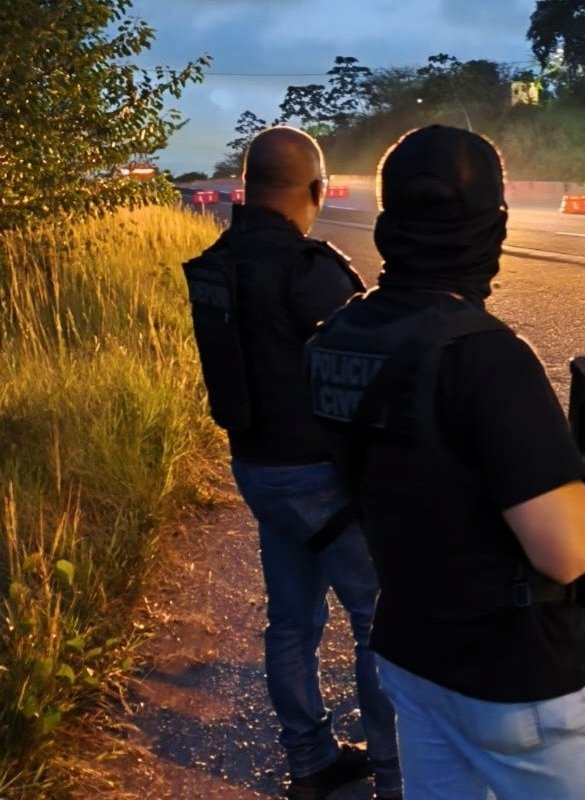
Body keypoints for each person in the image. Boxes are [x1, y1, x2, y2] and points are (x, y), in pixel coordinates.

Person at [305, 125, 585, 800]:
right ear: (493, 224)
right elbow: (565, 548)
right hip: (517, 679)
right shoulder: (483, 356)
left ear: (390, 218)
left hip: (413, 654)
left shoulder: (337, 337)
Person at [182, 126, 401, 800]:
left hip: (255, 469)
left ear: (247, 186)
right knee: (379, 623)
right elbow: (368, 364)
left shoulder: (216, 262)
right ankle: (397, 773)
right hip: (322, 480)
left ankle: (309, 764)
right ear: (312, 189)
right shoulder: (307, 270)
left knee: (292, 622)